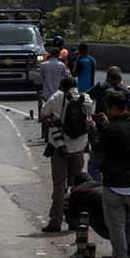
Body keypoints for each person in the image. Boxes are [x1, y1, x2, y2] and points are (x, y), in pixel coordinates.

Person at [86, 89, 130, 258]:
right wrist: (106, 125)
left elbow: (98, 147)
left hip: (115, 185)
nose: (106, 111)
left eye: (107, 108)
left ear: (113, 108)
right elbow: (120, 139)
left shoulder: (112, 129)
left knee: (117, 226)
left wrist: (92, 129)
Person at [40, 76, 93, 232]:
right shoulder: (86, 98)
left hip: (60, 148)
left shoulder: (57, 96)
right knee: (75, 186)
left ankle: (55, 221)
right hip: (79, 147)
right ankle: (74, 220)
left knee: (59, 186)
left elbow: (43, 113)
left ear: (62, 86)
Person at [86, 66, 130, 182]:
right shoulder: (124, 90)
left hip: (100, 130)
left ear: (107, 77)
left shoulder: (100, 87)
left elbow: (86, 97)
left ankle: (97, 190)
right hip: (120, 130)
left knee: (94, 163)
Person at [64, 173, 110, 240]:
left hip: (105, 219)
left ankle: (81, 243)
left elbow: (70, 216)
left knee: (82, 215)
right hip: (116, 207)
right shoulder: (100, 185)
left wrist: (67, 198)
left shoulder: (77, 191)